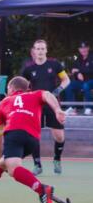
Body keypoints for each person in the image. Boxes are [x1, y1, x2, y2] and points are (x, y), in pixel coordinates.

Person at [22, 39, 70, 175]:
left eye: (43, 49)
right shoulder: (28, 69)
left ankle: (57, 159)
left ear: (46, 50)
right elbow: (22, 85)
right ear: (34, 51)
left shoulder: (54, 65)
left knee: (59, 136)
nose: (40, 51)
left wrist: (58, 90)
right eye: (38, 49)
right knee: (34, 136)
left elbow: (66, 80)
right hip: (35, 106)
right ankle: (37, 164)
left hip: (53, 105)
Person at [64, 42, 93, 115]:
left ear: (88, 48)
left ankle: (89, 108)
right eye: (81, 48)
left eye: (85, 48)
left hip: (91, 80)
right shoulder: (77, 57)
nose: (83, 50)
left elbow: (90, 70)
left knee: (86, 86)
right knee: (69, 85)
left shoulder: (91, 57)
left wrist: (79, 71)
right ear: (79, 49)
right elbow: (72, 68)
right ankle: (72, 108)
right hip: (81, 81)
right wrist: (77, 73)